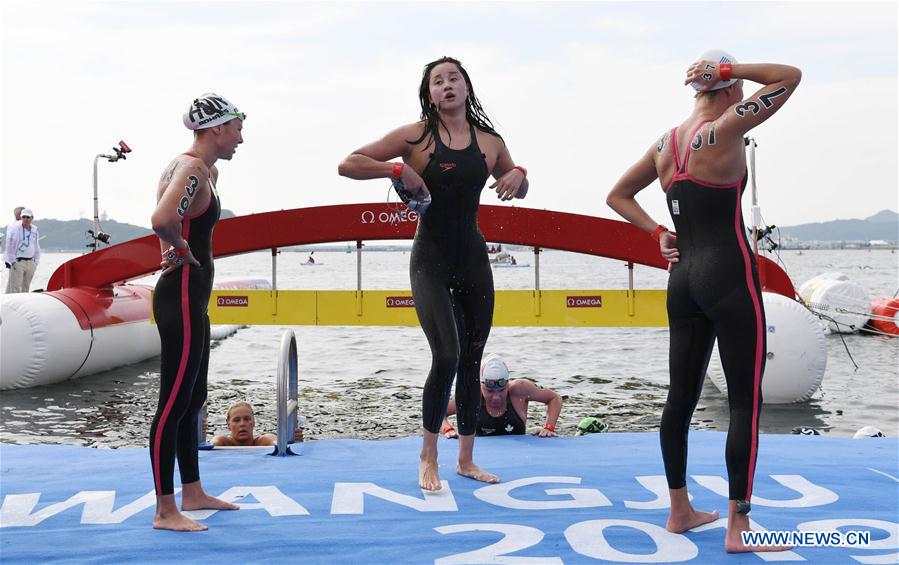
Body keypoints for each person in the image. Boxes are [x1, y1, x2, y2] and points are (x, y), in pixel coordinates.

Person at [606, 50, 800, 553]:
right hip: (729, 278)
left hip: (683, 280)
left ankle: (679, 510)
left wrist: (657, 233)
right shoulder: (730, 124)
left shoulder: (665, 143)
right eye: (733, 82)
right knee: (744, 403)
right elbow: (789, 77)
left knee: (681, 398)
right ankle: (740, 528)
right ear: (728, 86)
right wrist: (732, 70)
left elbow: (617, 195)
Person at [338, 56, 529, 491]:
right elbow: (348, 163)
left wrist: (520, 175)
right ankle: (428, 455)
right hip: (430, 260)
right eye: (437, 81)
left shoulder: (489, 141)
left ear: (466, 87)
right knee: (445, 355)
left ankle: (466, 460)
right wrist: (395, 167)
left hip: (473, 258)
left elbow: (515, 182)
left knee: (471, 358)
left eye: (453, 79)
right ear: (429, 94)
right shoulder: (415, 137)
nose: (446, 85)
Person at [148, 93, 245, 532]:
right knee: (172, 402)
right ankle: (165, 509)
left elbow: (176, 216)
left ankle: (192, 491)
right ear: (216, 129)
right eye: (236, 128)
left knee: (194, 399)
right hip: (181, 296)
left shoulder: (198, 169)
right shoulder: (190, 168)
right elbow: (162, 217)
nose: (241, 138)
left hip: (191, 297)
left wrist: (176, 243)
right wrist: (180, 247)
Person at [441, 354, 562, 438]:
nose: (496, 397)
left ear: (507, 384)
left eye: (501, 390)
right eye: (489, 391)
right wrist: (447, 429)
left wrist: (549, 427)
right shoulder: (471, 394)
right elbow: (439, 412)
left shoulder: (520, 389)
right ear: (481, 385)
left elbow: (554, 398)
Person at [211, 401, 304, 446]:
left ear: (254, 422)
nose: (242, 424)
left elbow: (277, 443)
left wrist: (290, 440)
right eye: (236, 420)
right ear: (228, 425)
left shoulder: (263, 441)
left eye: (247, 419)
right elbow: (213, 444)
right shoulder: (223, 442)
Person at [4, 208, 41, 293]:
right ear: (21, 217)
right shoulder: (15, 228)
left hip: (31, 262)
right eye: (24, 217)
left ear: (32, 218)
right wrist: (13, 261)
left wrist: (36, 262)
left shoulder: (35, 230)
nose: (26, 219)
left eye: (28, 217)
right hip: (18, 261)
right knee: (15, 288)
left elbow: (36, 246)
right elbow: (10, 246)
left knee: (26, 287)